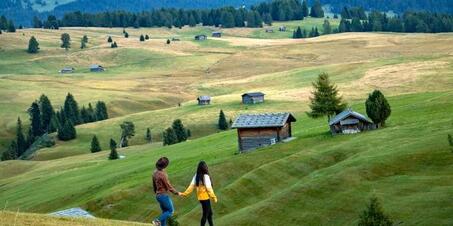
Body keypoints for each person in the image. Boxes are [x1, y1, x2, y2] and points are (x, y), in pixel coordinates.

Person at [180, 161, 217, 226]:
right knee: (205, 215)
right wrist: (214, 197)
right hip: (205, 198)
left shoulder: (196, 176)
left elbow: (191, 186)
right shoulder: (205, 176)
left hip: (201, 198)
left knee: (210, 213)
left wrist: (185, 193)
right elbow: (209, 188)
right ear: (205, 168)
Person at [152, 157, 179, 226]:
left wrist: (157, 192)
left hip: (158, 195)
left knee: (165, 212)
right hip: (163, 195)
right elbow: (168, 186)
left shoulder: (155, 173)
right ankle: (157, 221)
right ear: (165, 165)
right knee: (170, 211)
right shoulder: (162, 174)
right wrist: (176, 192)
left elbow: (154, 185)